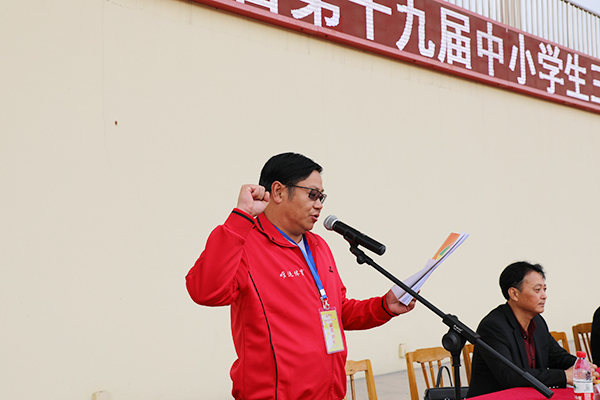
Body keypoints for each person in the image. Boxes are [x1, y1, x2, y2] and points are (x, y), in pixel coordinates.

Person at [186, 152, 417, 400]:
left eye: (322, 197)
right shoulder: (244, 244)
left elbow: (337, 311)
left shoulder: (318, 246)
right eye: (312, 195)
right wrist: (241, 216)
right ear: (278, 192)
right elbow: (204, 292)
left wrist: (384, 306)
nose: (319, 205)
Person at [467, 261, 597, 397]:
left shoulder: (537, 321)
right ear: (514, 294)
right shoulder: (493, 326)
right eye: (537, 290)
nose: (544, 296)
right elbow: (509, 375)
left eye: (544, 289)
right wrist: (564, 376)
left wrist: (582, 366)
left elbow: (556, 356)